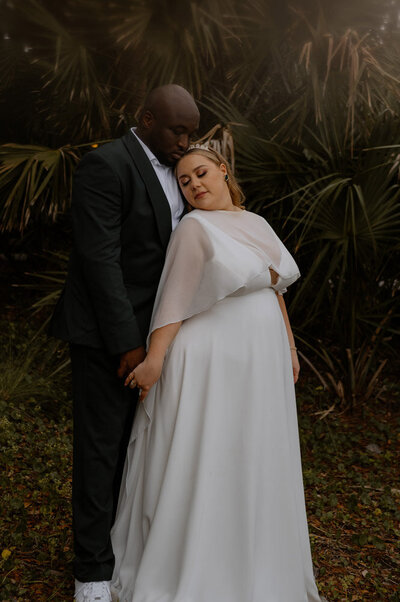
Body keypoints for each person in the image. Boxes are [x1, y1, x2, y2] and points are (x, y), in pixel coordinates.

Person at [110, 147, 321, 602]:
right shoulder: (193, 227)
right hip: (210, 356)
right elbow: (174, 298)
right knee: (209, 449)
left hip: (259, 357)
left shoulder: (257, 223)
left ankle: (253, 560)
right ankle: (196, 564)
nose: (195, 185)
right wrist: (155, 360)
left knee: (252, 449)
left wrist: (289, 345)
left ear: (224, 169)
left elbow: (276, 287)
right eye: (184, 182)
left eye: (201, 173)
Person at [49, 85, 200, 602]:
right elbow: (100, 262)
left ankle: (125, 550)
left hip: (159, 336)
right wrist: (127, 345)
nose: (185, 140)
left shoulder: (184, 173)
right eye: (177, 129)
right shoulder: (106, 165)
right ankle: (90, 573)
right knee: (100, 451)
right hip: (106, 337)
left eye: (191, 131)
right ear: (147, 118)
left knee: (141, 452)